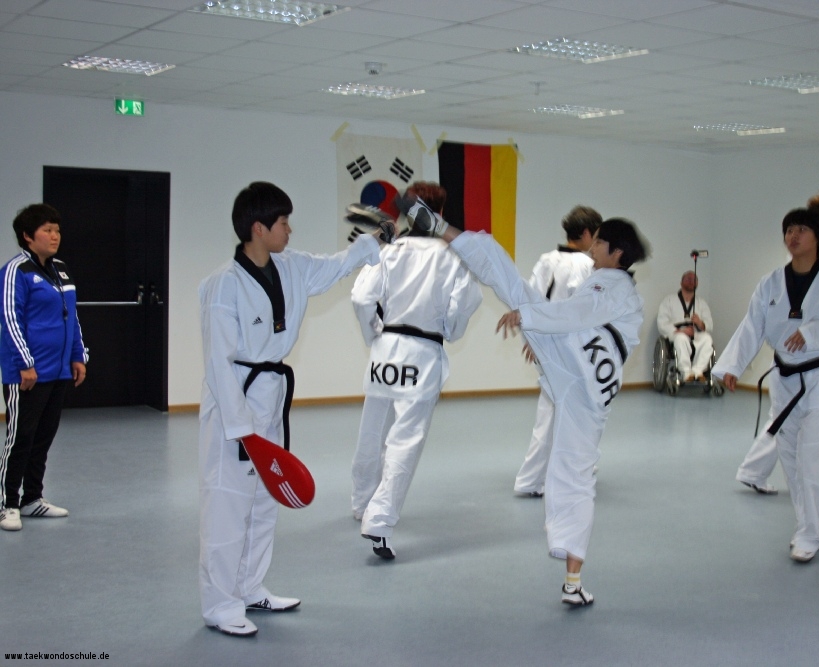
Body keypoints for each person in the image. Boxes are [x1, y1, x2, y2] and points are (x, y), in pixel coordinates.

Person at [400, 195, 647, 606]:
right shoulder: (609, 282)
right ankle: (573, 582)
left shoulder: (612, 283)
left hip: (586, 367)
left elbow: (579, 313)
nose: (593, 248)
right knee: (575, 474)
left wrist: (530, 319)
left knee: (514, 287)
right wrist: (543, 336)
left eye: (601, 242)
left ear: (618, 253)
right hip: (583, 380)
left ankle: (444, 230)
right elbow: (574, 315)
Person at [198, 182, 386, 637]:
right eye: (283, 222)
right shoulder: (223, 285)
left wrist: (373, 242)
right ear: (258, 228)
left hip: (272, 396)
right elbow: (219, 364)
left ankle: (251, 587)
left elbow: (336, 266)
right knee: (228, 505)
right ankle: (220, 605)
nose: (289, 229)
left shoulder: (292, 267)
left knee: (266, 499)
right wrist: (241, 428)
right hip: (235, 402)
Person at [713, 208, 819, 563]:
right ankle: (815, 522)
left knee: (814, 455)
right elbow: (752, 325)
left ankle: (808, 533)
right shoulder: (770, 282)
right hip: (784, 378)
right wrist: (733, 365)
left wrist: (812, 332)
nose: (793, 236)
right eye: (789, 230)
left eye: (802, 230)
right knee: (792, 456)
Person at [350, 181, 482, 559]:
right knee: (405, 439)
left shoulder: (389, 251)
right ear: (439, 213)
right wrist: (450, 330)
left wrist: (374, 332)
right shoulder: (452, 257)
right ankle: (378, 519)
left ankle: (361, 501)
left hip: (385, 348)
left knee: (372, 429)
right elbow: (467, 301)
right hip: (422, 350)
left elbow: (361, 296)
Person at [735, 191, 819, 494]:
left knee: (815, 424)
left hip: (817, 358)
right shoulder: (807, 263)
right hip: (799, 358)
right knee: (791, 424)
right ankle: (754, 470)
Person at [0, 204, 87, 532]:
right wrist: (26, 363)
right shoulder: (15, 271)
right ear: (27, 235)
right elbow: (10, 319)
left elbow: (71, 315)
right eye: (47, 230)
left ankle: (32, 498)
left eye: (57, 230)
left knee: (43, 437)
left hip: (58, 371)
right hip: (27, 375)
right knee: (20, 437)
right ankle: (8, 503)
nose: (55, 236)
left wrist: (78, 355)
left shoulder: (61, 270)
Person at [514, 205, 600, 498]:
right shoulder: (586, 266)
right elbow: (584, 313)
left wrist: (532, 341)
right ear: (586, 233)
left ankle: (540, 477)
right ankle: (558, 476)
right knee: (573, 413)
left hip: (547, 345)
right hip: (571, 349)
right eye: (597, 237)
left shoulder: (546, 260)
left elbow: (529, 301)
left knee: (554, 412)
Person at [656, 270, 713, 382]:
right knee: (681, 338)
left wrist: (700, 323)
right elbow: (662, 322)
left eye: (694, 280)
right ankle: (686, 372)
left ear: (697, 283)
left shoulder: (701, 303)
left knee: (707, 338)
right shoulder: (669, 300)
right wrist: (681, 331)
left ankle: (698, 371)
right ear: (681, 283)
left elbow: (709, 325)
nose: (691, 281)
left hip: (695, 333)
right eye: (688, 279)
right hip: (677, 333)